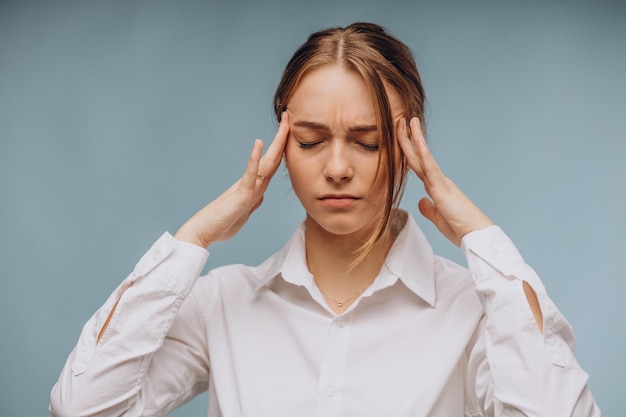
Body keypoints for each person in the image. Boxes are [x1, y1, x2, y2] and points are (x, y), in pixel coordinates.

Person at [49, 22, 600, 416]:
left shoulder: (474, 315)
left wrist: (484, 241)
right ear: (284, 144)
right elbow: (82, 409)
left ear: (410, 146)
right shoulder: (223, 303)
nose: (337, 168)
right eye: (311, 142)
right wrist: (194, 238)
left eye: (367, 142)